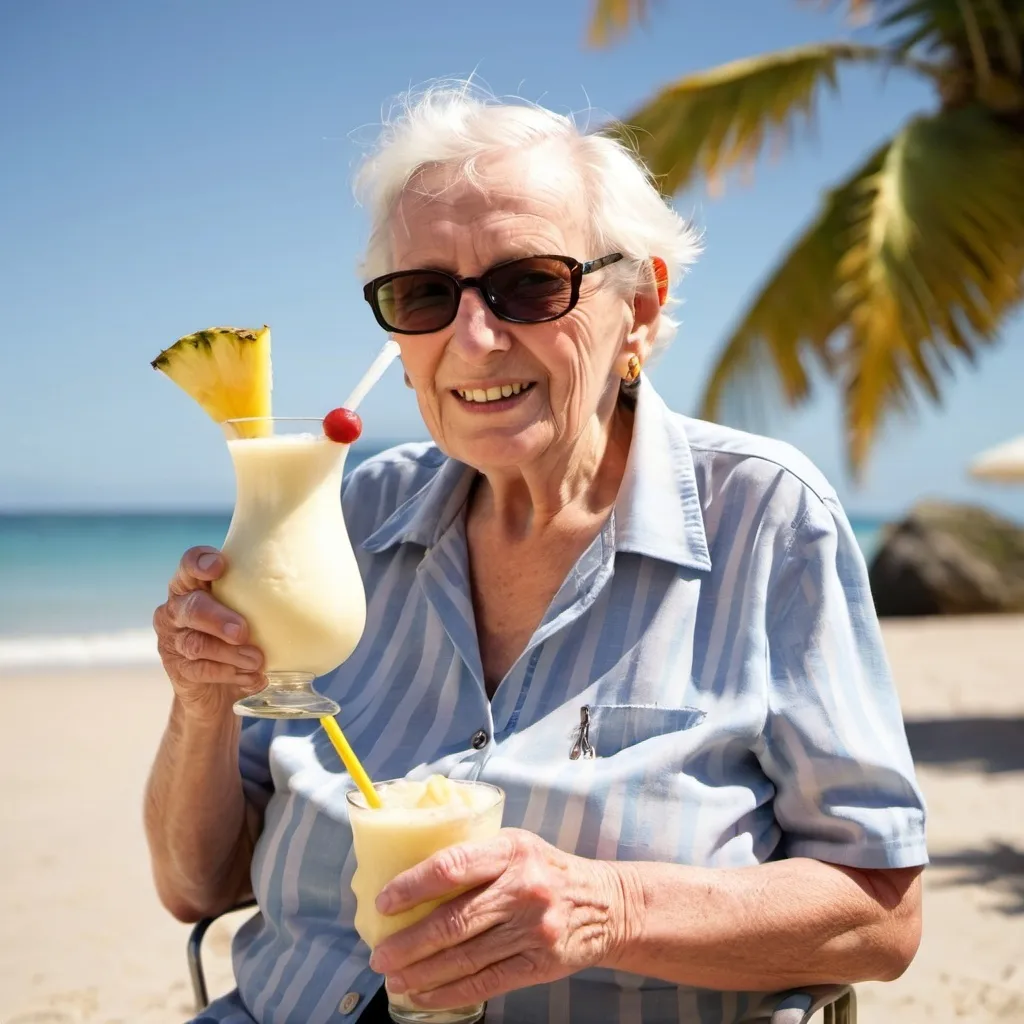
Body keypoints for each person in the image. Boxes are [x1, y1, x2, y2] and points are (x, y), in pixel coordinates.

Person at [145, 83, 927, 1024]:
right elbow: (200, 889)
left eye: (530, 283)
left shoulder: (763, 517)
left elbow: (882, 918)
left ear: (637, 306)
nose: (473, 339)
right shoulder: (351, 512)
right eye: (425, 294)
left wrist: (611, 908)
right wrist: (203, 704)